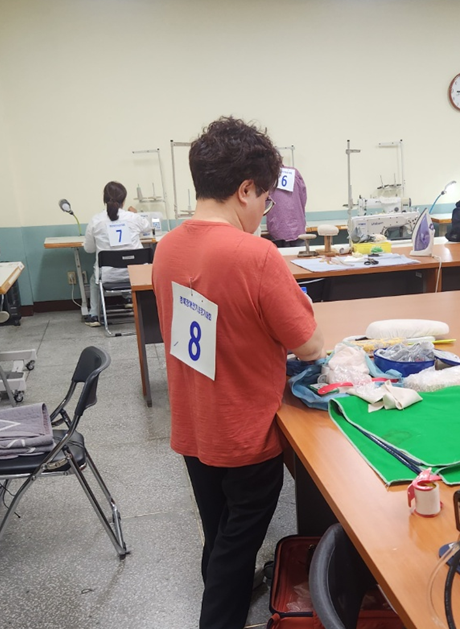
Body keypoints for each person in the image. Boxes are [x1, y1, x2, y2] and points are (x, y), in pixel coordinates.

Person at [151, 117, 325, 629]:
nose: (264, 212)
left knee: (219, 531)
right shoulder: (255, 254)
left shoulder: (167, 248)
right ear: (246, 189)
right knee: (236, 544)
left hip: (195, 426)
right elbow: (310, 345)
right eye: (265, 200)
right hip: (247, 436)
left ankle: (227, 591)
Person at [83, 181, 150, 326]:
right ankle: (130, 299)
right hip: (138, 275)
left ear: (104, 199)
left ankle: (94, 315)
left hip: (108, 275)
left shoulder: (96, 220)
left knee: (95, 279)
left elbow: (89, 249)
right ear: (123, 200)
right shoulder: (133, 218)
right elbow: (147, 227)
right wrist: (136, 214)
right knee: (127, 263)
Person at [266, 166, 307, 247]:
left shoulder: (268, 176)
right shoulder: (294, 172)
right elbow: (303, 197)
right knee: (300, 253)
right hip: (297, 227)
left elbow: (265, 202)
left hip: (277, 228)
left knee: (281, 254)